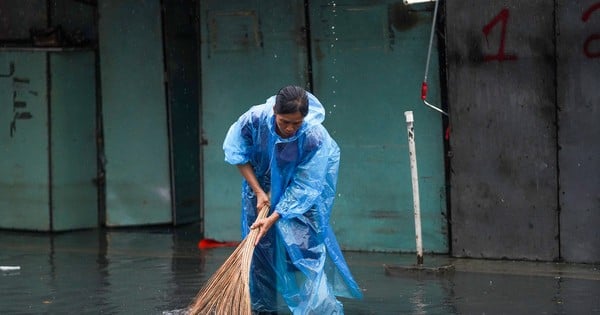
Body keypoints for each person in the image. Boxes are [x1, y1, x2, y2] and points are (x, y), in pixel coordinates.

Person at [222, 85, 363, 314]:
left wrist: (277, 215)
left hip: (299, 201)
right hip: (259, 190)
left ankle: (316, 309)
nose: (289, 128)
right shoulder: (255, 120)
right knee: (260, 254)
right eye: (284, 122)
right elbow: (236, 152)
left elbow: (306, 185)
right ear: (275, 112)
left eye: (296, 123)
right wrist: (258, 191)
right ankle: (263, 310)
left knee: (305, 252)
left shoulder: (313, 137)